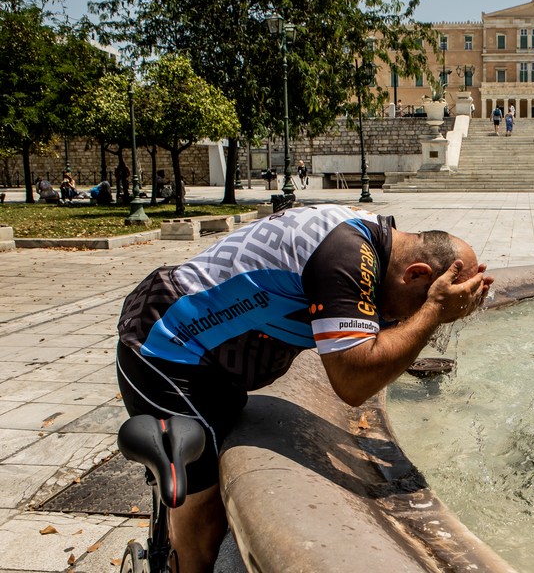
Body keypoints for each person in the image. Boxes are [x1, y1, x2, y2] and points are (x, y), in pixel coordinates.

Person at [116, 204, 493, 573]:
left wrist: (432, 306)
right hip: (166, 347)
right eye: (416, 304)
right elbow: (353, 381)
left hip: (212, 362)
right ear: (415, 274)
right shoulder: (344, 256)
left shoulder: (371, 240)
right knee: (205, 505)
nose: (407, 318)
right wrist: (433, 312)